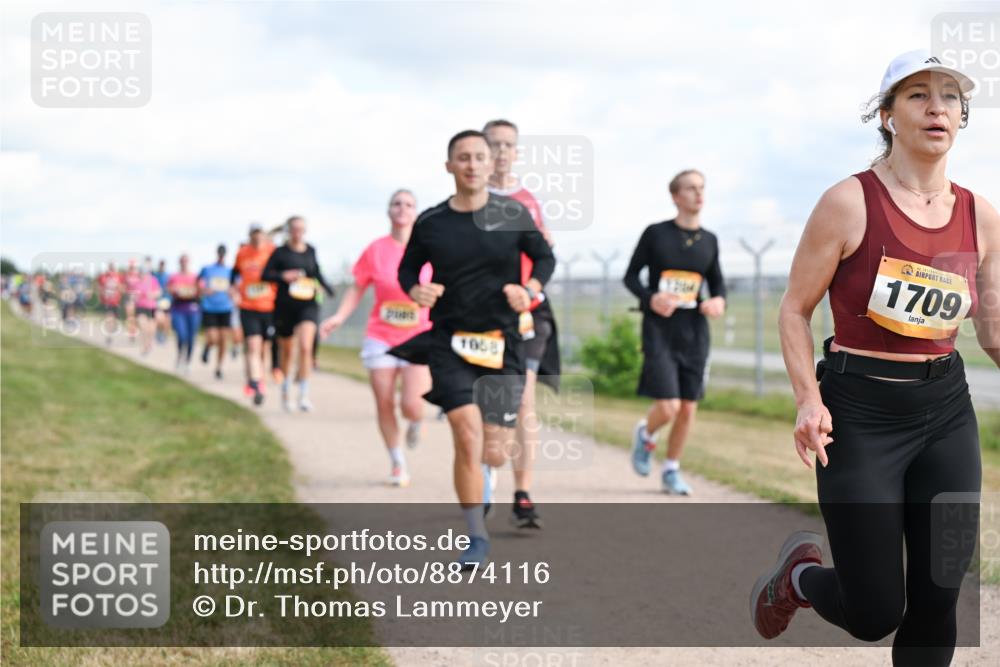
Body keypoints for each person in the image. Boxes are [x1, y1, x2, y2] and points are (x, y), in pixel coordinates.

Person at [752, 50, 998, 666]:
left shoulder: (981, 216)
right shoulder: (849, 202)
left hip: (945, 411)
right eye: (917, 95)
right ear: (887, 116)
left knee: (940, 592)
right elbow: (793, 310)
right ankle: (801, 579)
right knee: (874, 612)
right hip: (858, 413)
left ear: (963, 118)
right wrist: (809, 399)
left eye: (949, 97)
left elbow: (992, 330)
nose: (936, 106)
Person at [391, 130, 555, 568]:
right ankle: (476, 535)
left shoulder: (512, 212)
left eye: (479, 157)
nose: (472, 164)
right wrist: (416, 290)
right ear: (450, 166)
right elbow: (408, 268)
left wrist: (530, 289)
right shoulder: (432, 222)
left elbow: (544, 258)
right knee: (466, 432)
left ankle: (488, 479)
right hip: (450, 341)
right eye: (462, 157)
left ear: (490, 164)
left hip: (502, 344)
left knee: (495, 450)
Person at [623, 169, 727, 495]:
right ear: (675, 196)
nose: (699, 194)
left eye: (702, 188)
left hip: (694, 331)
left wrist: (718, 302)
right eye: (691, 188)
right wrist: (650, 298)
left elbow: (718, 284)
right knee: (668, 406)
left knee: (688, 407)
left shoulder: (709, 240)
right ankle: (645, 434)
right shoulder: (656, 234)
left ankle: (671, 470)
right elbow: (630, 276)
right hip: (660, 328)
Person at [320, 189, 433, 487]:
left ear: (415, 212)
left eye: (409, 204)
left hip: (419, 335)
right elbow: (357, 288)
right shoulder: (375, 250)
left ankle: (416, 422)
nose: (402, 208)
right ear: (388, 211)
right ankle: (397, 463)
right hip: (380, 335)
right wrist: (339, 317)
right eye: (397, 204)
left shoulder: (429, 250)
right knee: (384, 402)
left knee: (412, 404)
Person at [483, 118, 560, 528]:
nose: (500, 152)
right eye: (492, 144)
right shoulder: (468, 200)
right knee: (486, 404)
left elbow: (545, 250)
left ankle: (523, 495)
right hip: (480, 316)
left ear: (516, 151)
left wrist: (529, 286)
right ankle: (485, 475)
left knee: (523, 401)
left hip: (528, 311)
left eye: (507, 145)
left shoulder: (529, 200)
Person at [262, 216, 335, 412]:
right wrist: (283, 276)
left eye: (301, 229)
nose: (298, 232)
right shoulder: (279, 253)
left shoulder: (310, 250)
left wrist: (327, 288)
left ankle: (304, 393)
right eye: (294, 229)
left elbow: (316, 273)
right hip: (286, 306)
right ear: (289, 231)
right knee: (287, 351)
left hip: (308, 304)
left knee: (305, 347)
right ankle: (286, 391)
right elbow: (265, 275)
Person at [232, 223, 278, 406]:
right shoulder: (242, 253)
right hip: (248, 306)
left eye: (260, 237)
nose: (257, 241)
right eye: (254, 237)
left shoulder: (272, 251)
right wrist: (234, 291)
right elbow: (233, 275)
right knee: (253, 346)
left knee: (264, 349)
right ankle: (255, 383)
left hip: (269, 307)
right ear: (250, 237)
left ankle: (259, 380)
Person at [198, 244, 235, 380]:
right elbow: (199, 283)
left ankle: (219, 367)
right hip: (210, 307)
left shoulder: (230, 270)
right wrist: (203, 290)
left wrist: (233, 292)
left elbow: (236, 285)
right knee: (214, 338)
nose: (221, 255)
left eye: (223, 253)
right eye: (220, 252)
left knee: (224, 340)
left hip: (225, 308)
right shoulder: (207, 269)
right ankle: (208, 346)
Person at [167, 254, 201, 374]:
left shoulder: (195, 276)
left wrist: (193, 292)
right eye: (182, 261)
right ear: (179, 262)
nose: (184, 263)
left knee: (191, 337)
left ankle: (187, 362)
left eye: (186, 261)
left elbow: (200, 291)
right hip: (178, 308)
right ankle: (180, 355)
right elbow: (169, 289)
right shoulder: (174, 276)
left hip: (192, 309)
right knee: (182, 335)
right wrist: (177, 291)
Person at [133, 258, 161, 355]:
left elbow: (159, 292)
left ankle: (149, 344)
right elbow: (133, 294)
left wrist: (153, 294)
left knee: (151, 329)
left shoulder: (153, 280)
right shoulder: (137, 281)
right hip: (140, 307)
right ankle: (145, 346)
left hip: (151, 307)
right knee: (143, 326)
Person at [96, 261, 124, 346]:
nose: (111, 269)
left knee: (114, 320)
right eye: (110, 267)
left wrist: (119, 288)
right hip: (107, 302)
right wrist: (101, 294)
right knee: (109, 318)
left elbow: (122, 288)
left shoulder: (119, 276)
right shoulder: (103, 276)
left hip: (116, 302)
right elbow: (98, 286)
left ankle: (111, 330)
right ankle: (109, 336)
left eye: (113, 267)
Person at [152, 259, 171, 344]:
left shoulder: (168, 276)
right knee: (159, 319)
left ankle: (163, 335)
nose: (162, 266)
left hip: (167, 300)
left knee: (167, 320)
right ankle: (159, 333)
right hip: (157, 300)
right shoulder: (155, 275)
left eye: (163, 265)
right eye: (161, 264)